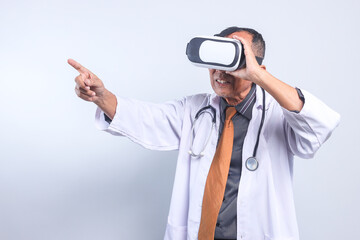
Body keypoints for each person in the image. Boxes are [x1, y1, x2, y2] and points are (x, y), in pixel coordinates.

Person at [68, 27, 340, 240]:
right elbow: (145, 119)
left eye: (235, 60)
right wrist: (101, 97)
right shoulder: (195, 110)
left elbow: (320, 125)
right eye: (217, 60)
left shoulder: (279, 114)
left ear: (258, 69)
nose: (221, 72)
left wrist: (259, 76)